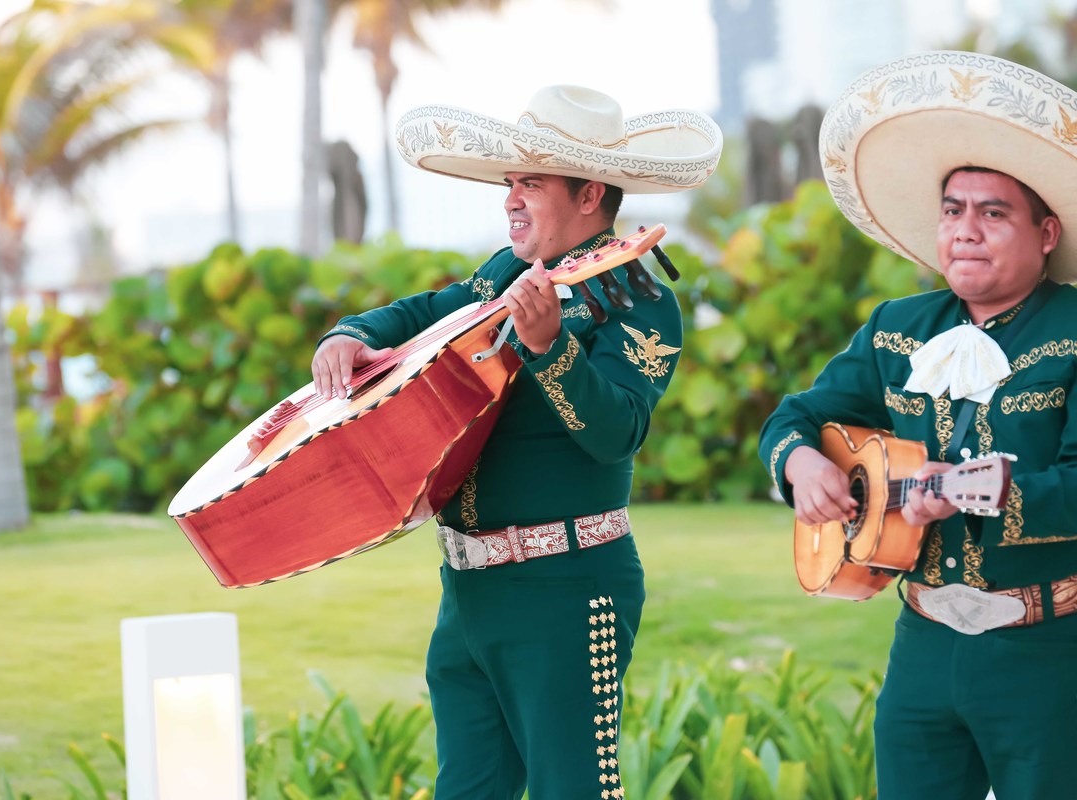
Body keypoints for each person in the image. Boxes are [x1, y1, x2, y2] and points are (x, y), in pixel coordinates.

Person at [312, 86, 721, 799]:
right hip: (467, 592)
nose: (511, 200)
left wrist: (551, 348)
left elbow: (618, 433)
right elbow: (424, 312)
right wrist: (351, 333)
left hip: (568, 588)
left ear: (590, 192)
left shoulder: (642, 297)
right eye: (510, 183)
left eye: (530, 183)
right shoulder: (503, 272)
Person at [760, 51, 1077, 800]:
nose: (965, 229)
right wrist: (802, 465)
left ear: (1047, 232)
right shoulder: (896, 327)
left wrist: (984, 493)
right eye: (952, 210)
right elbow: (798, 417)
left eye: (993, 213)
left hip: (1047, 648)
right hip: (923, 645)